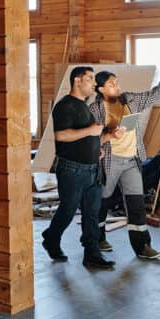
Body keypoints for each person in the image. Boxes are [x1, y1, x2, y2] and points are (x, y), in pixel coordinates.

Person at [90, 63, 160, 259]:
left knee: (135, 202)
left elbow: (152, 95)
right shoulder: (95, 109)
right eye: (111, 84)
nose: (116, 87)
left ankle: (143, 246)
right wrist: (110, 134)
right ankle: (97, 238)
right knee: (102, 201)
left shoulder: (128, 99)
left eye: (116, 83)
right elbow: (90, 137)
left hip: (131, 160)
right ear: (101, 89)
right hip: (109, 161)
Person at [41, 66, 115, 269]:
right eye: (90, 79)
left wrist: (100, 145)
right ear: (77, 81)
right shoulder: (65, 106)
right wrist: (91, 131)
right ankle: (51, 239)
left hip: (92, 169)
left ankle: (91, 254)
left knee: (92, 213)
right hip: (72, 170)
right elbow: (61, 136)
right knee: (67, 210)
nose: (94, 83)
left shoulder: (85, 106)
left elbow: (88, 138)